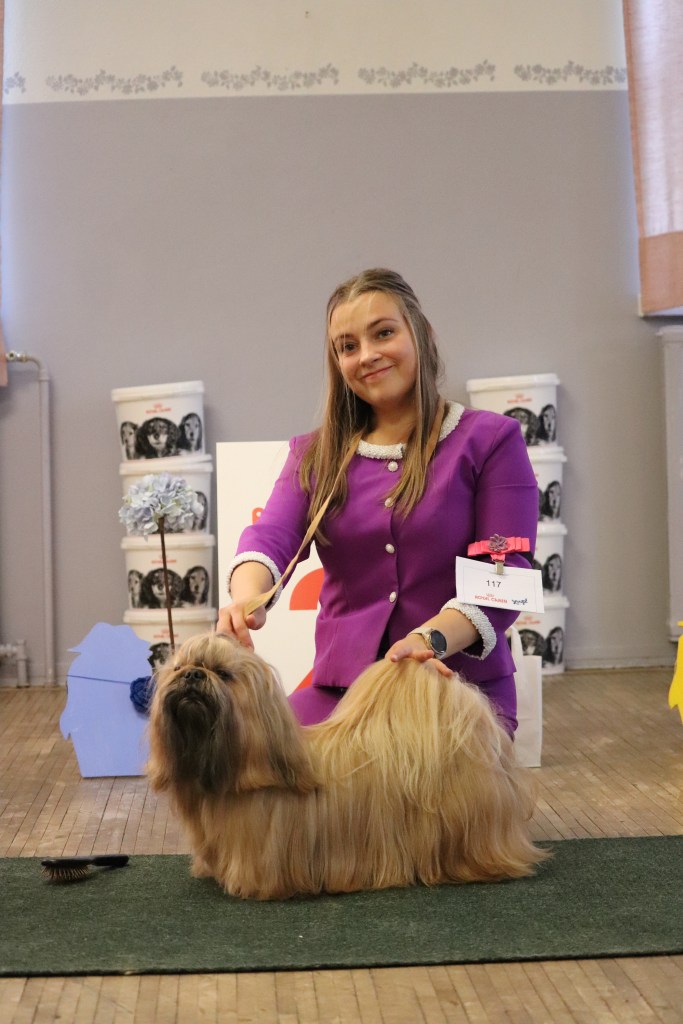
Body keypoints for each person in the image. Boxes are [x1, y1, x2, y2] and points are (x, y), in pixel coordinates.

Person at [217, 269, 538, 736]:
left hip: (458, 688)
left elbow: (505, 578)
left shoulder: (491, 441)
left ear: (422, 334)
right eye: (347, 346)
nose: (366, 355)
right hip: (343, 690)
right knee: (267, 763)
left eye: (383, 333)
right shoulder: (313, 455)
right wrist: (248, 599)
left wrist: (429, 639)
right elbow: (272, 536)